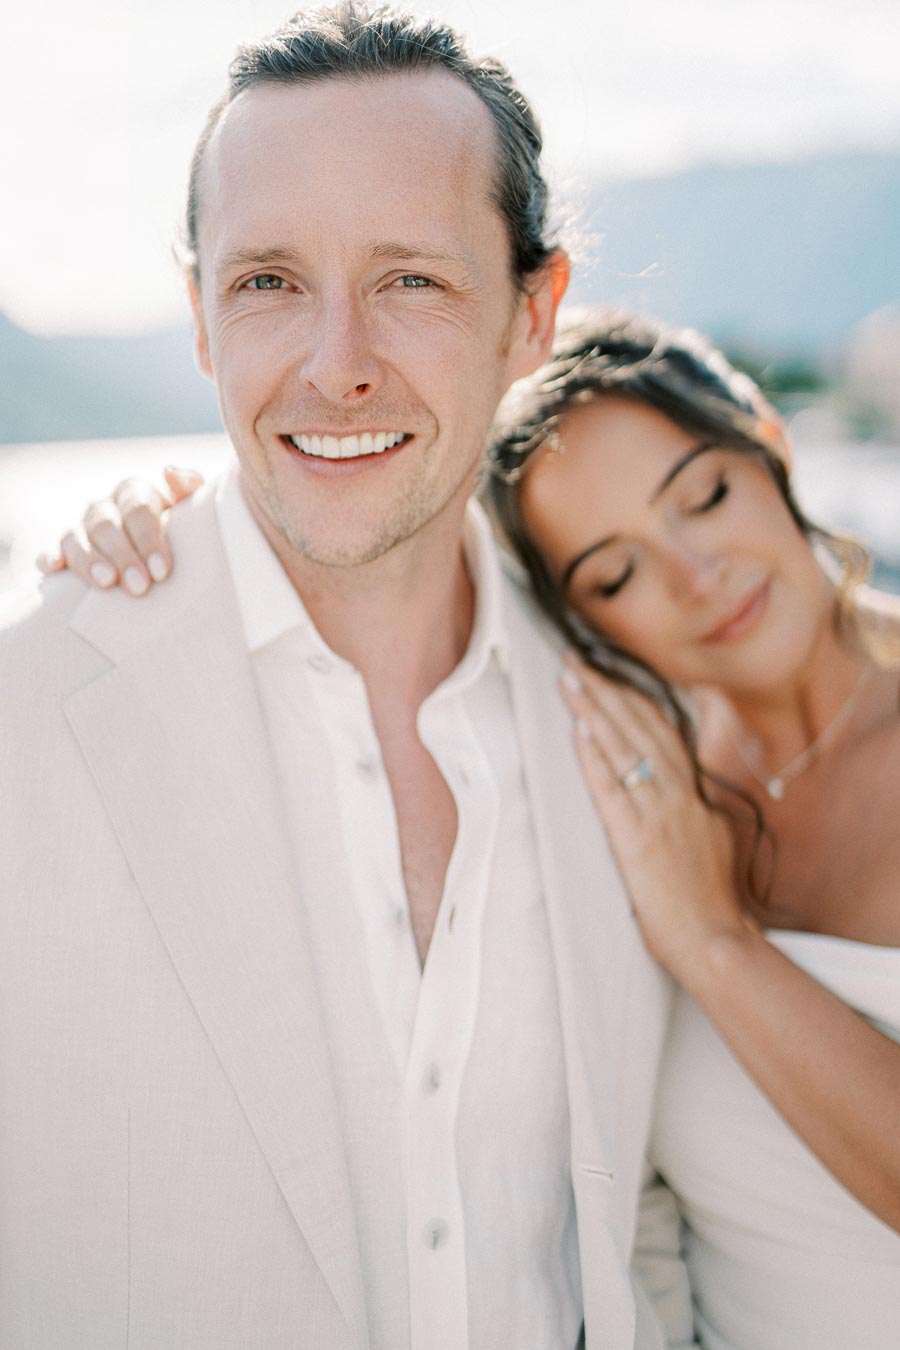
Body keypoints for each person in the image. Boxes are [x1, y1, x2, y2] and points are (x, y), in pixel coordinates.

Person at [0, 9, 695, 1350]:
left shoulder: (630, 709)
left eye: (410, 281)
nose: (335, 364)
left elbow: (642, 1215)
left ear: (530, 314)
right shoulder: (29, 724)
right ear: (201, 317)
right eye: (266, 281)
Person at [63, 308, 900, 1349]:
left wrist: (714, 943)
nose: (697, 576)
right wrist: (181, 530)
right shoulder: (628, 760)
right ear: (580, 618)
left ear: (768, 443)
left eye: (705, 496)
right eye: (616, 573)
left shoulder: (669, 832)